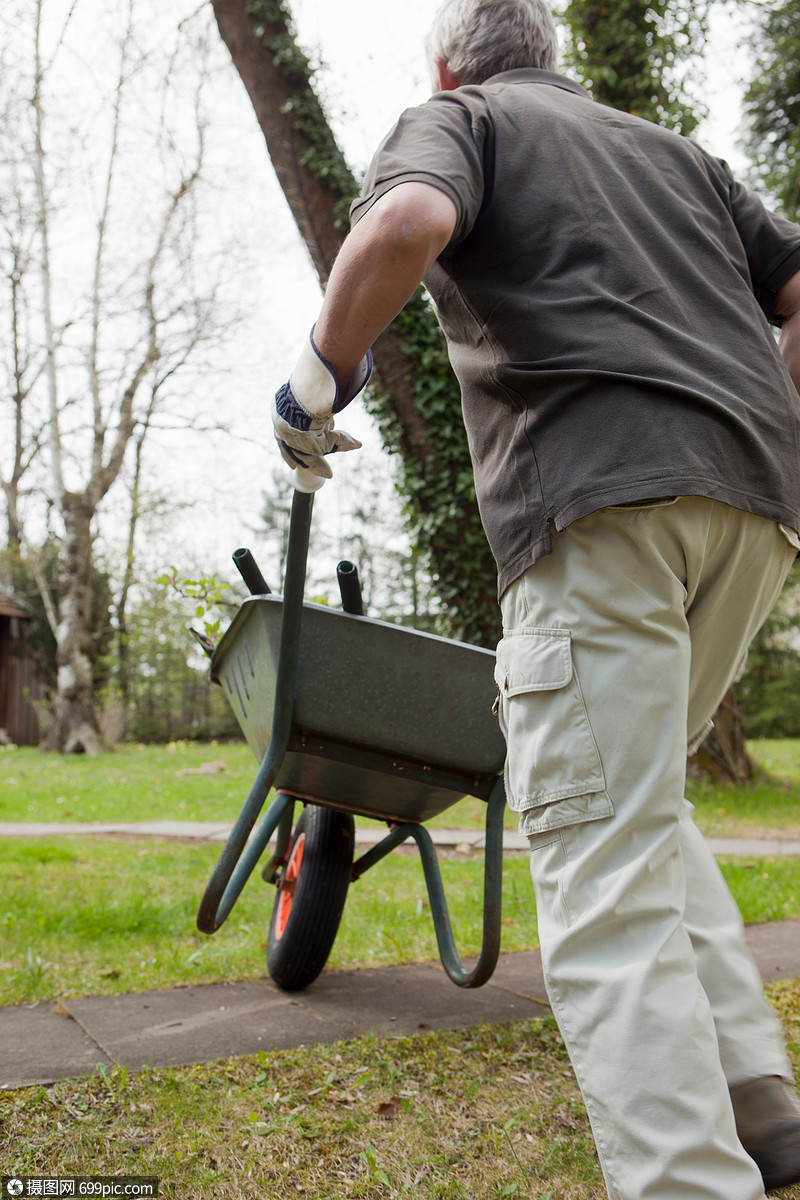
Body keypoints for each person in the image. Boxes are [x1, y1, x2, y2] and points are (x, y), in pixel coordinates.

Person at [271, 1, 800, 1195]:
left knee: (597, 864)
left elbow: (406, 218)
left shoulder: (462, 118)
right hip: (756, 513)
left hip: (599, 505)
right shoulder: (676, 154)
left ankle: (684, 1180)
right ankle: (755, 1106)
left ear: (451, 63)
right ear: (553, 57)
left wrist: (316, 382)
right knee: (637, 803)